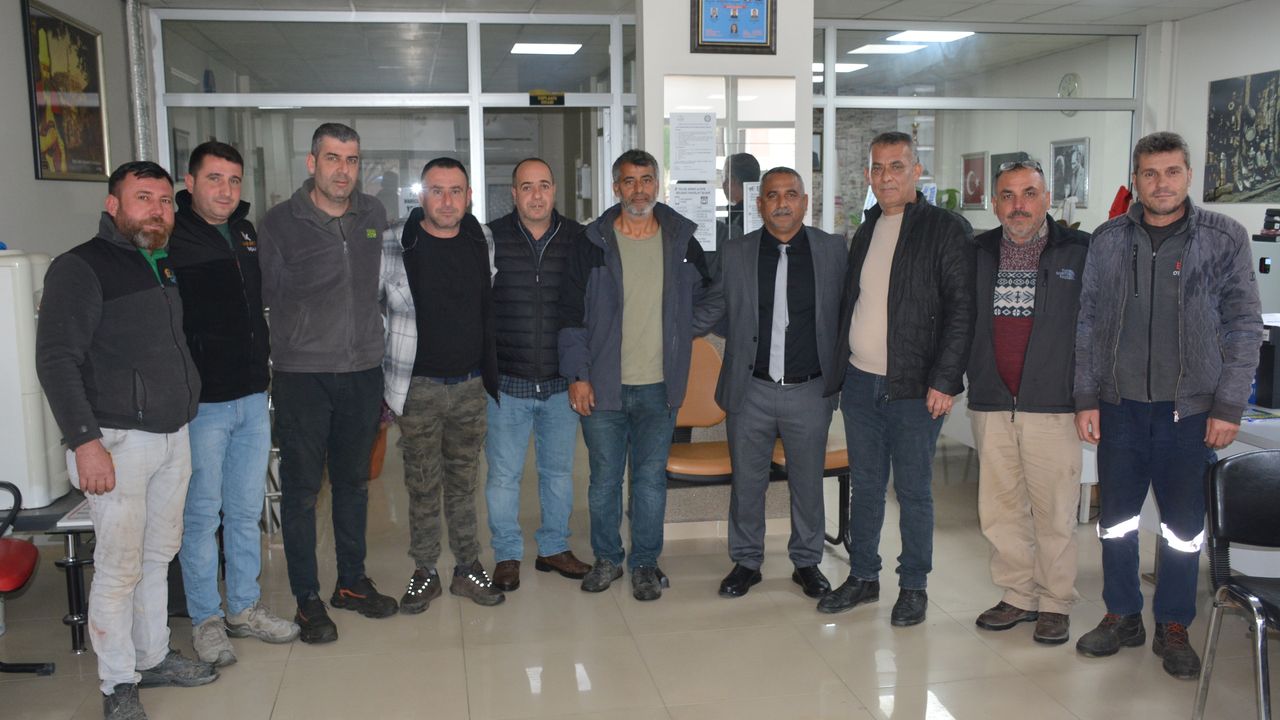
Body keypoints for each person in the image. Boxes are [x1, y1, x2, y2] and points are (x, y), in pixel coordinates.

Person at [1073, 131, 1262, 679]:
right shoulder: (1108, 239)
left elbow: (1245, 326)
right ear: (1135, 179)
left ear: (1188, 176)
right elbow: (1087, 322)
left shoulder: (1224, 238)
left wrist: (1229, 405)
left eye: (1172, 172)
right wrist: (1086, 396)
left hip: (1192, 413)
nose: (1161, 183)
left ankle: (1174, 623)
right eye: (1150, 173)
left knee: (1183, 528)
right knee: (1116, 522)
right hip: (1120, 408)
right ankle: (1122, 614)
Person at [36, 161, 217, 720]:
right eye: (143, 198)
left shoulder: (160, 262)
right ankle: (118, 684)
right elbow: (56, 360)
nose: (157, 210)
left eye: (164, 200)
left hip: (171, 433)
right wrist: (84, 442)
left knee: (157, 555)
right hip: (115, 440)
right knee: (119, 567)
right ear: (113, 205)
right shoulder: (79, 267)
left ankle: (153, 655)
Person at [817, 131, 975, 625]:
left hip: (915, 387)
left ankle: (913, 586)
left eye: (897, 166)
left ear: (916, 171)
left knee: (912, 491)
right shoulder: (866, 229)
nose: (886, 177)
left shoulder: (945, 228)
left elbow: (962, 311)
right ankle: (864, 576)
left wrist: (945, 380)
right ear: (868, 174)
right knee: (865, 487)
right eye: (878, 168)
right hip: (861, 383)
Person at [258, 123, 396, 644]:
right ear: (312, 162)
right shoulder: (279, 223)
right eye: (333, 158)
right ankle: (307, 598)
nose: (343, 170)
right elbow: (266, 295)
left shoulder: (373, 214)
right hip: (303, 376)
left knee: (353, 484)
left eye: (352, 159)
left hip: (362, 371)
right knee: (300, 492)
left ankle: (351, 583)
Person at [559, 149, 713, 601]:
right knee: (604, 481)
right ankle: (608, 559)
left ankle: (645, 563)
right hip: (603, 389)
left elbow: (713, 296)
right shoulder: (591, 244)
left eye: (646, 180)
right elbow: (569, 316)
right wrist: (578, 375)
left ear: (657, 185)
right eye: (629, 181)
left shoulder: (681, 242)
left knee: (649, 482)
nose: (639, 190)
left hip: (660, 389)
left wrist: (684, 326)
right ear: (616, 188)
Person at [169, 141, 299, 668]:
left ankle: (243, 607)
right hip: (203, 404)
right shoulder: (172, 235)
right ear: (190, 182)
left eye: (234, 180)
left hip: (250, 395)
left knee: (245, 511)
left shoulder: (246, 233)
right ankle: (206, 620)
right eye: (214, 178)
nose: (225, 190)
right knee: (202, 516)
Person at [693, 167, 846, 601]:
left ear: (805, 202)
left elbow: (849, 311)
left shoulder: (833, 250)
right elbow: (713, 308)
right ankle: (746, 562)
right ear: (759, 204)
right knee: (748, 481)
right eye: (772, 195)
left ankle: (807, 562)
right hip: (751, 389)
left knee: (808, 482)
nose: (782, 203)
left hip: (810, 389)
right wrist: (666, 333)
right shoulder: (736, 252)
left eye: (790, 194)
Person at [967, 159, 1090, 645]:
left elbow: (1095, 329)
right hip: (992, 400)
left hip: (1053, 405)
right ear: (994, 203)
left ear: (1047, 199)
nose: (1018, 205)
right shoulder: (977, 252)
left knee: (1055, 512)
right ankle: (1018, 594)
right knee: (1000, 509)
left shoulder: (1079, 251)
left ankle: (1055, 602)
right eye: (1008, 195)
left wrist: (1089, 396)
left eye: (1029, 194)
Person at [381, 157, 505, 613]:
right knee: (422, 484)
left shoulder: (480, 237)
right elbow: (375, 307)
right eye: (437, 190)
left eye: (456, 191)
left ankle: (468, 568)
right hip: (418, 388)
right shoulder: (395, 241)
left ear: (469, 196)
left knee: (464, 482)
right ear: (422, 196)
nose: (447, 201)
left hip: (470, 385)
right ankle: (425, 571)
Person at [484, 158, 591, 592]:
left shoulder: (579, 240)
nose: (536, 195)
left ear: (554, 190)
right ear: (513, 194)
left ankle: (553, 547)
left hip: (560, 384)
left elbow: (589, 309)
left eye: (544, 185)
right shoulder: (490, 238)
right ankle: (507, 554)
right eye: (526, 187)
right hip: (506, 384)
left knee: (558, 474)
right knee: (503, 476)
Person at [722, 153, 761, 239]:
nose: (723, 184)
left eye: (724, 177)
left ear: (733, 180)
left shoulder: (739, 220)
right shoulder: (761, 212)